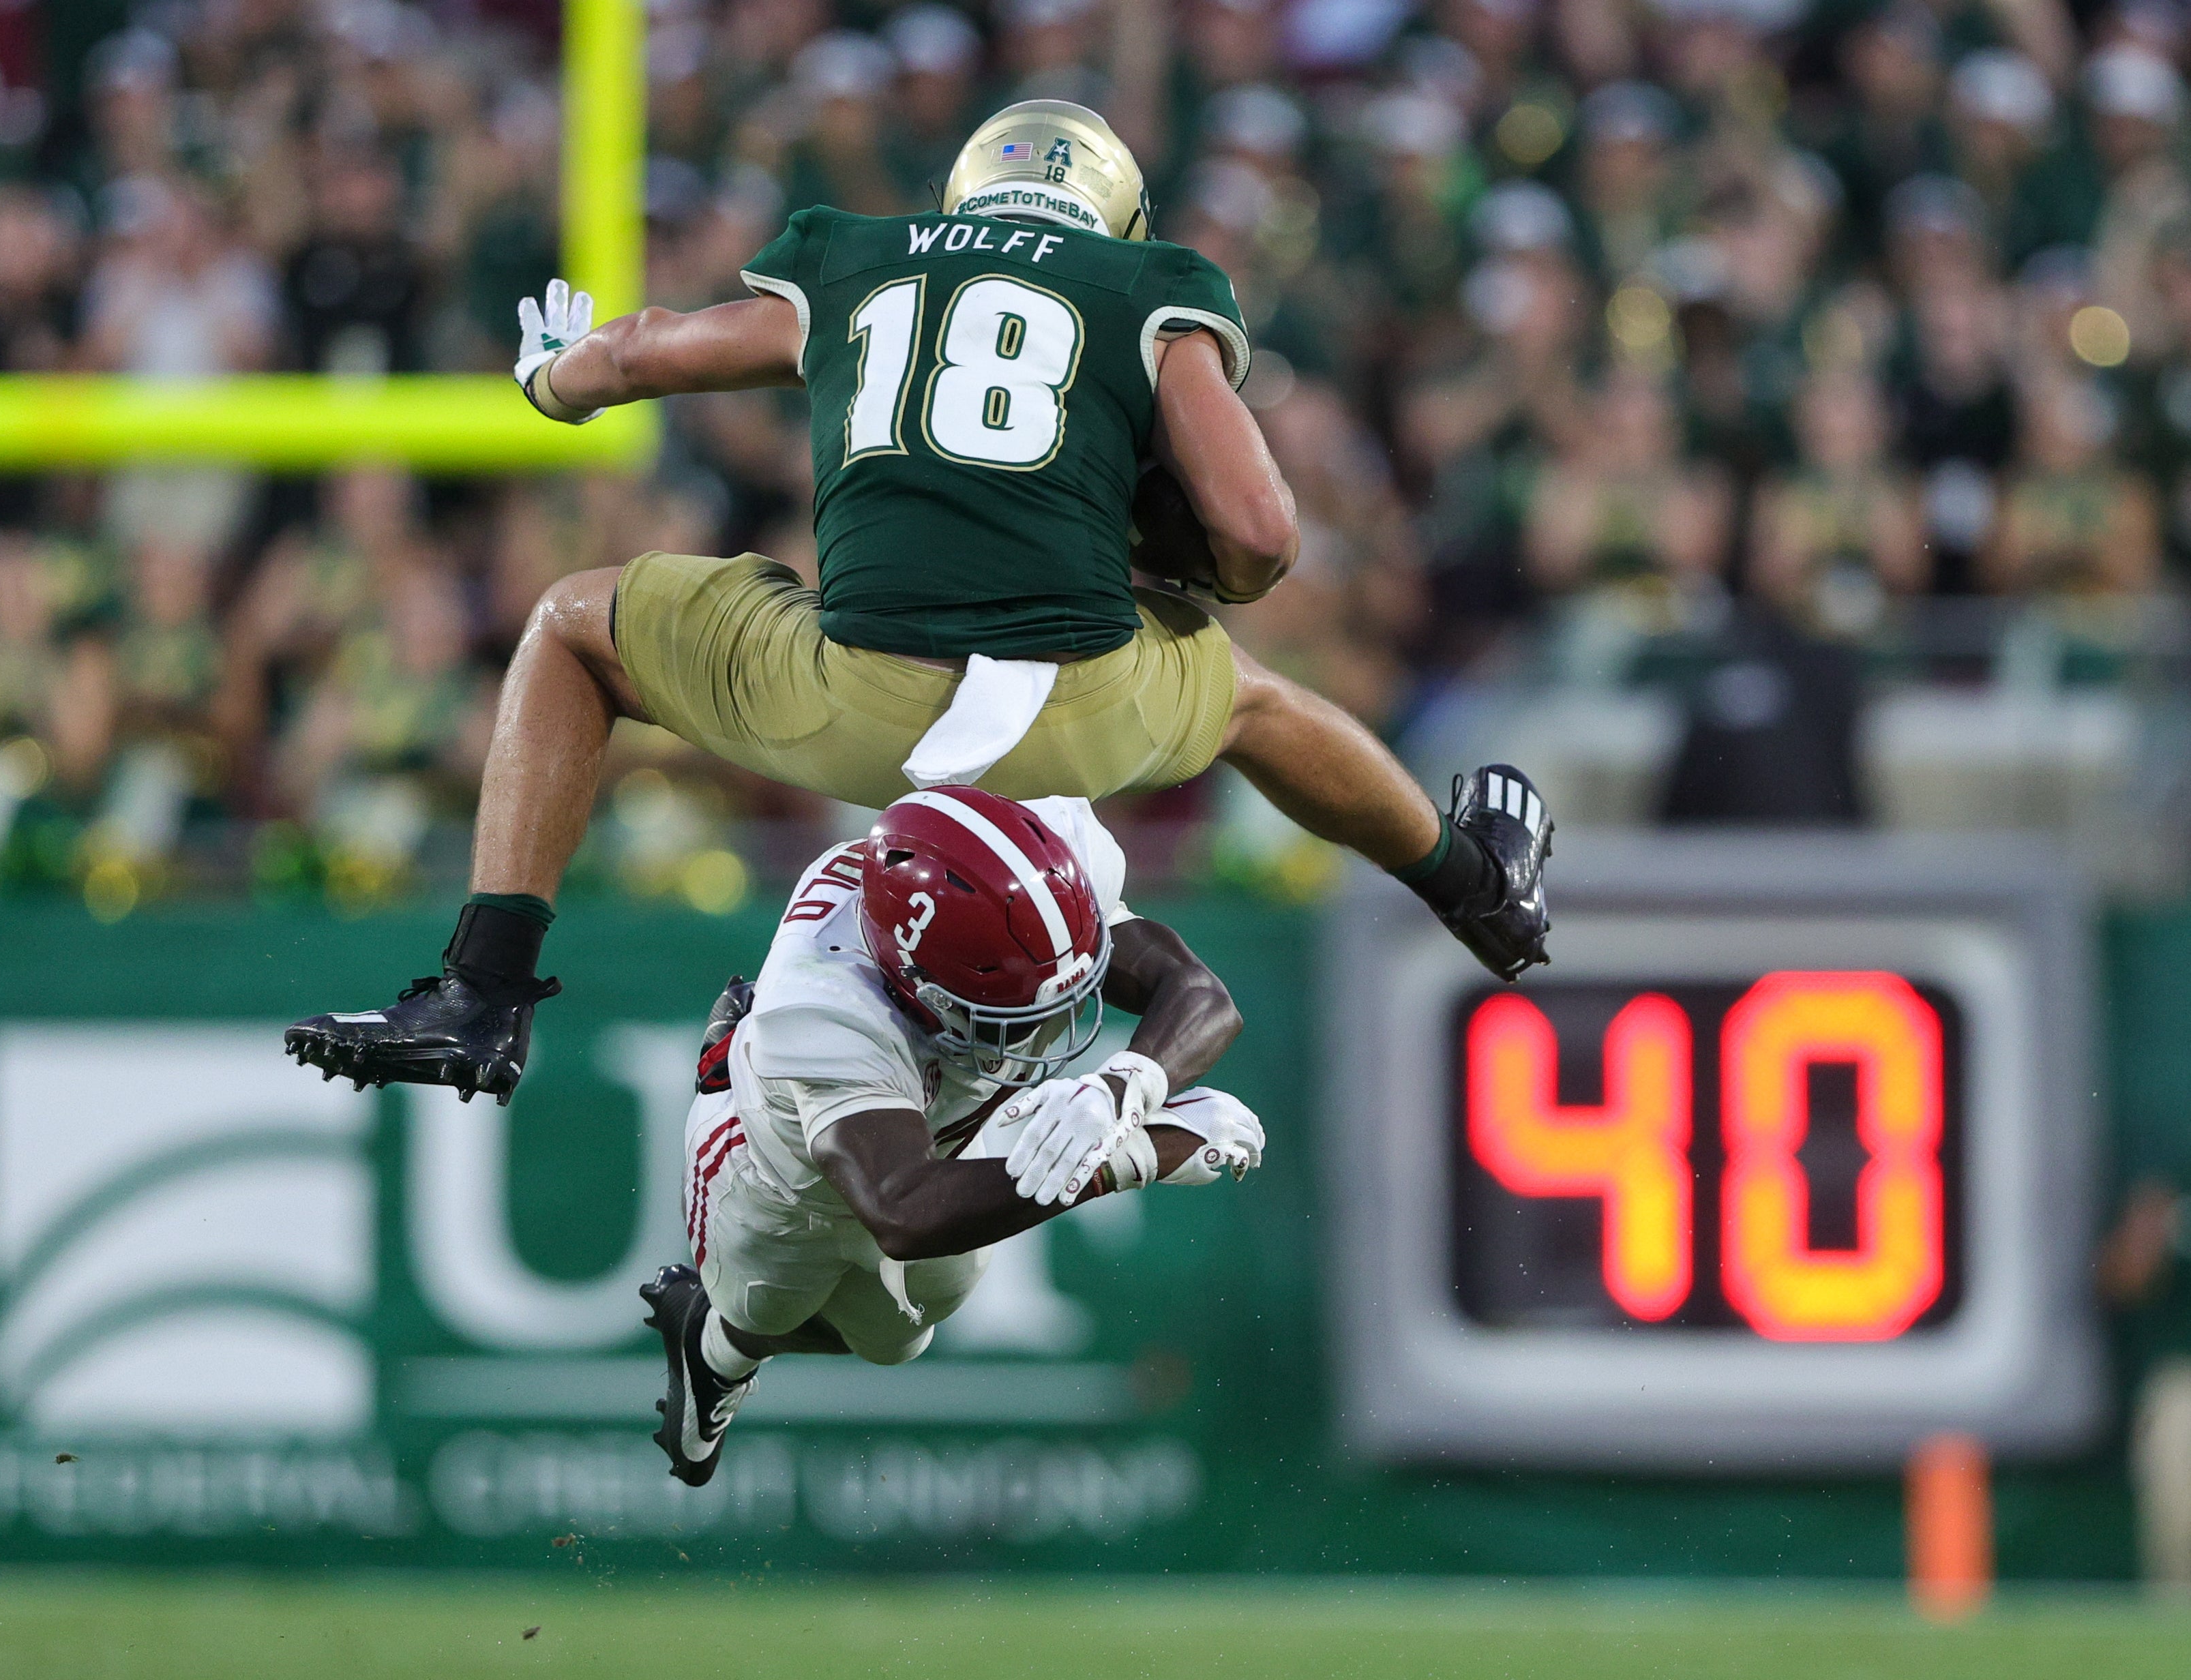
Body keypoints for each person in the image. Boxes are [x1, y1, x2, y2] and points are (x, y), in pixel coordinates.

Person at [284, 100, 1551, 1106]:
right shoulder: (1146, 285)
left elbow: (638, 350)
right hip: (1079, 703)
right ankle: (1467, 885)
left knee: (574, 621)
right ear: (1111, 211)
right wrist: (1199, 588)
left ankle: (484, 990)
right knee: (1255, 701)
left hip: (855, 701)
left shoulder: (858, 252)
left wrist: (550, 382)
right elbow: (1265, 531)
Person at [644, 785, 1266, 1486]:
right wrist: (1137, 1153)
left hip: (935, 1138)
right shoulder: (823, 1007)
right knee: (760, 1305)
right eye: (1008, 1014)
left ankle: (717, 1345)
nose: (1043, 1027)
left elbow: (1199, 993)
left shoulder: (1044, 870)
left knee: (898, 1340)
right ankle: (714, 1340)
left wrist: (1125, 1085)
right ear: (913, 983)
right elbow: (905, 1212)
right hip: (776, 1167)